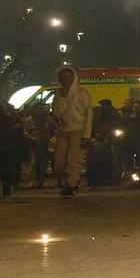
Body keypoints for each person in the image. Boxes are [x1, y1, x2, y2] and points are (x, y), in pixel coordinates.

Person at [49, 66, 92, 196]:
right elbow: (56, 113)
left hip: (78, 130)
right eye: (63, 77)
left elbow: (89, 113)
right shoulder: (58, 94)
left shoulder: (82, 93)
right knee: (59, 160)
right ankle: (68, 180)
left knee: (73, 160)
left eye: (69, 77)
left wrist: (87, 134)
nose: (66, 80)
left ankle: (72, 184)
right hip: (64, 130)